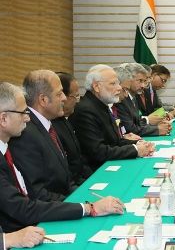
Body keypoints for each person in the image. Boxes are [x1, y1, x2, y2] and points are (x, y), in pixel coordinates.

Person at [0, 82, 123, 233]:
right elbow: (22, 208)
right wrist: (88, 208)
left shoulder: (7, 148)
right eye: (23, 112)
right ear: (3, 119)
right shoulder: (21, 141)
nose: (27, 118)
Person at [70, 65, 155, 172]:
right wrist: (135, 150)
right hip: (95, 172)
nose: (119, 88)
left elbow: (114, 141)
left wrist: (137, 144)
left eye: (118, 83)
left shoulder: (101, 104)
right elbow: (97, 152)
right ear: (96, 87)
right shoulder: (86, 110)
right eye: (113, 83)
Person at [9, 70, 74, 202]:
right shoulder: (25, 133)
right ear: (43, 100)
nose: (64, 98)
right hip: (51, 212)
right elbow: (37, 193)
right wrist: (77, 205)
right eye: (59, 93)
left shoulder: (48, 122)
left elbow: (65, 179)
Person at [51, 72, 92, 186]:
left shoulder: (64, 119)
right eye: (75, 96)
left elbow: (78, 159)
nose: (78, 101)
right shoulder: (51, 126)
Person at [114, 64, 170, 136]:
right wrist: (156, 129)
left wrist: (155, 125)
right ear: (130, 79)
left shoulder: (133, 97)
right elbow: (130, 128)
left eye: (145, 81)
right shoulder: (121, 99)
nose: (143, 85)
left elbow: (137, 122)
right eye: (140, 81)